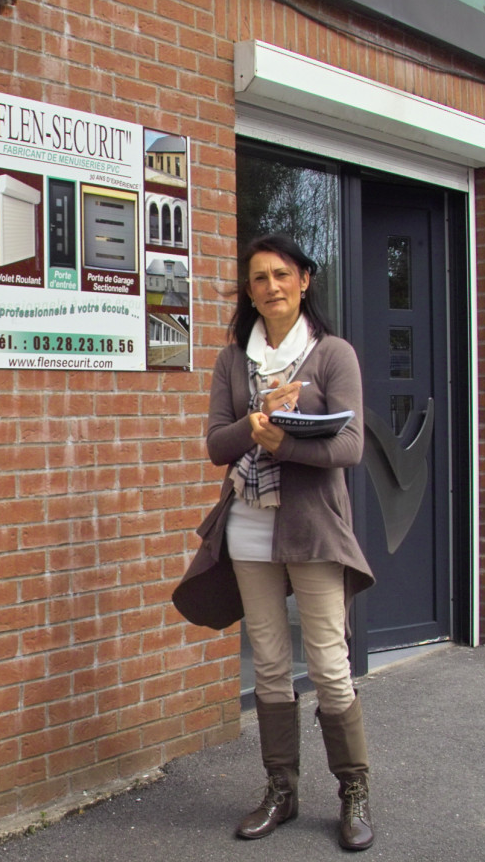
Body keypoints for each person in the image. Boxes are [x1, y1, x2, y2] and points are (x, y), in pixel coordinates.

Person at [172, 233, 376, 851]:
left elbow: (351, 448)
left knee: (329, 666)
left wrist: (285, 443)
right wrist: (251, 426)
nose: (271, 287)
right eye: (258, 279)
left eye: (281, 274)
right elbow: (214, 445)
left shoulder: (332, 354)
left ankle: (354, 791)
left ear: (305, 280)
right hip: (250, 529)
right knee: (268, 665)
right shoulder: (233, 359)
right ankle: (281, 791)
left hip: (312, 531)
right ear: (249, 293)